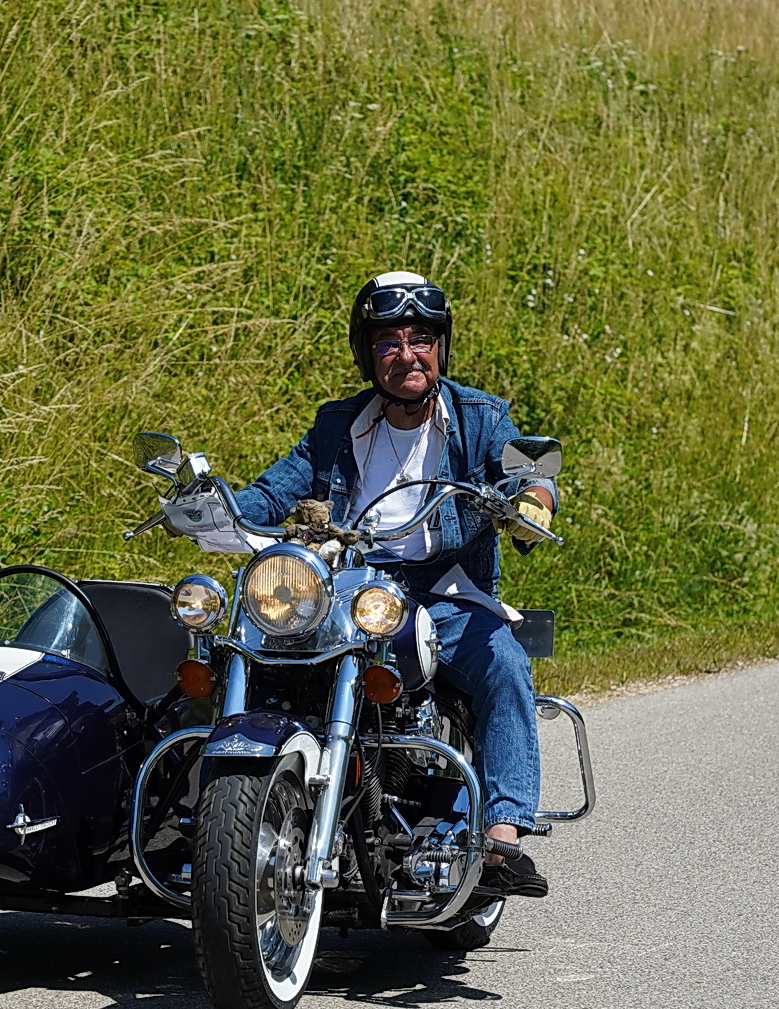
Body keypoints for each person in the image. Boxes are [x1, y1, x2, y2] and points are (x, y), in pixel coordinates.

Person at [233, 271, 558, 897]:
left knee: (505, 666)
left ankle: (503, 836)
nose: (407, 354)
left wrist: (532, 499)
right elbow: (275, 488)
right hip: (344, 588)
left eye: (421, 338)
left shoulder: (478, 417)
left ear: (441, 346)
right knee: (245, 650)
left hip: (445, 591)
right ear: (368, 353)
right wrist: (215, 507)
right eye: (389, 341)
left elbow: (526, 471)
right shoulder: (338, 425)